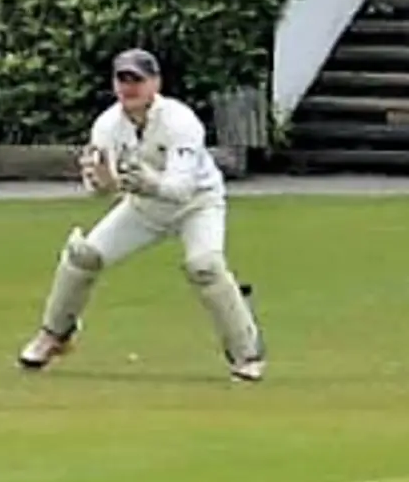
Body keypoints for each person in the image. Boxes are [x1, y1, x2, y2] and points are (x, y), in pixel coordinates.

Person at [17, 49, 265, 383]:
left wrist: (150, 182)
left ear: (155, 83)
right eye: (122, 79)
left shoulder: (181, 121)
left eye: (137, 79)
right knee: (84, 255)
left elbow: (180, 189)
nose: (129, 87)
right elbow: (101, 190)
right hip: (144, 209)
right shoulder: (107, 126)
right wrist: (101, 182)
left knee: (205, 265)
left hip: (198, 204)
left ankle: (246, 353)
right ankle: (55, 335)